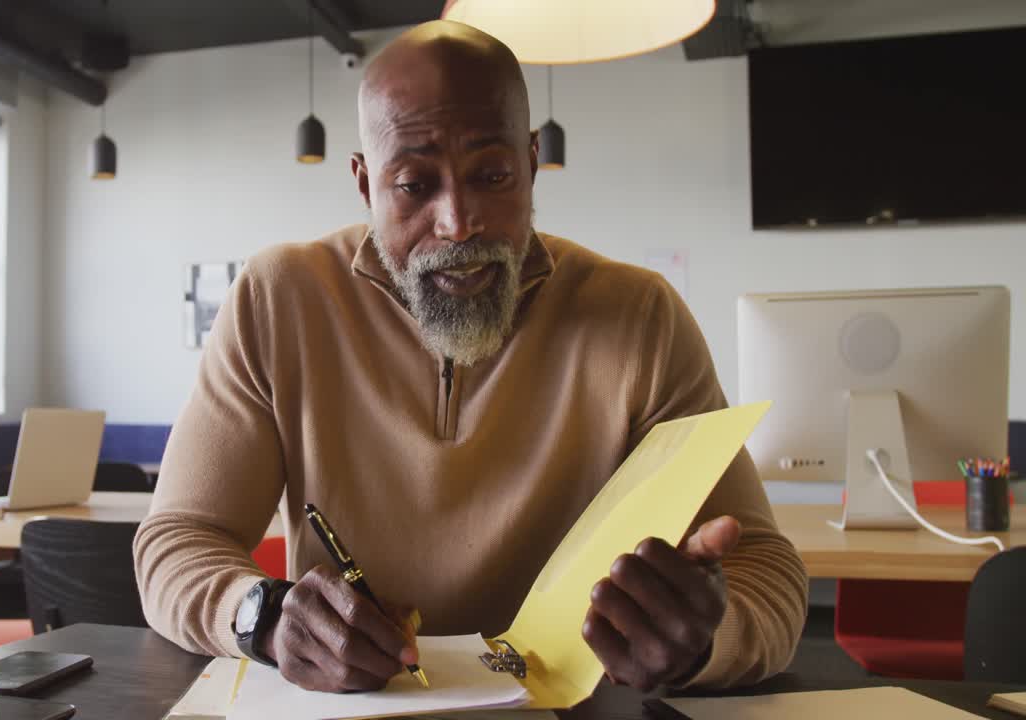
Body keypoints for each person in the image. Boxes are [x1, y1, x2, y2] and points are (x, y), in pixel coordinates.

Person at [135, 21, 808, 695]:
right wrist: (265, 618)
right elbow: (174, 544)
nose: (459, 222)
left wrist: (700, 644)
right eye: (414, 185)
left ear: (532, 162)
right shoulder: (276, 299)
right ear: (365, 183)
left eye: (491, 175)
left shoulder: (640, 318)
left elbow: (767, 574)